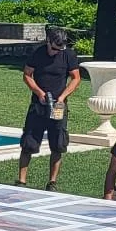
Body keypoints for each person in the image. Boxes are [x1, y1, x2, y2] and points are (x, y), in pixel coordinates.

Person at [17, 27, 82, 189]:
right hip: (39, 105)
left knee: (58, 143)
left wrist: (62, 97)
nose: (56, 52)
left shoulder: (68, 55)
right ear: (48, 42)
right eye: (54, 48)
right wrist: (39, 93)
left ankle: (52, 182)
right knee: (29, 142)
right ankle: (21, 180)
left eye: (60, 49)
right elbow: (27, 74)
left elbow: (76, 78)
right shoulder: (38, 53)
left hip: (59, 105)